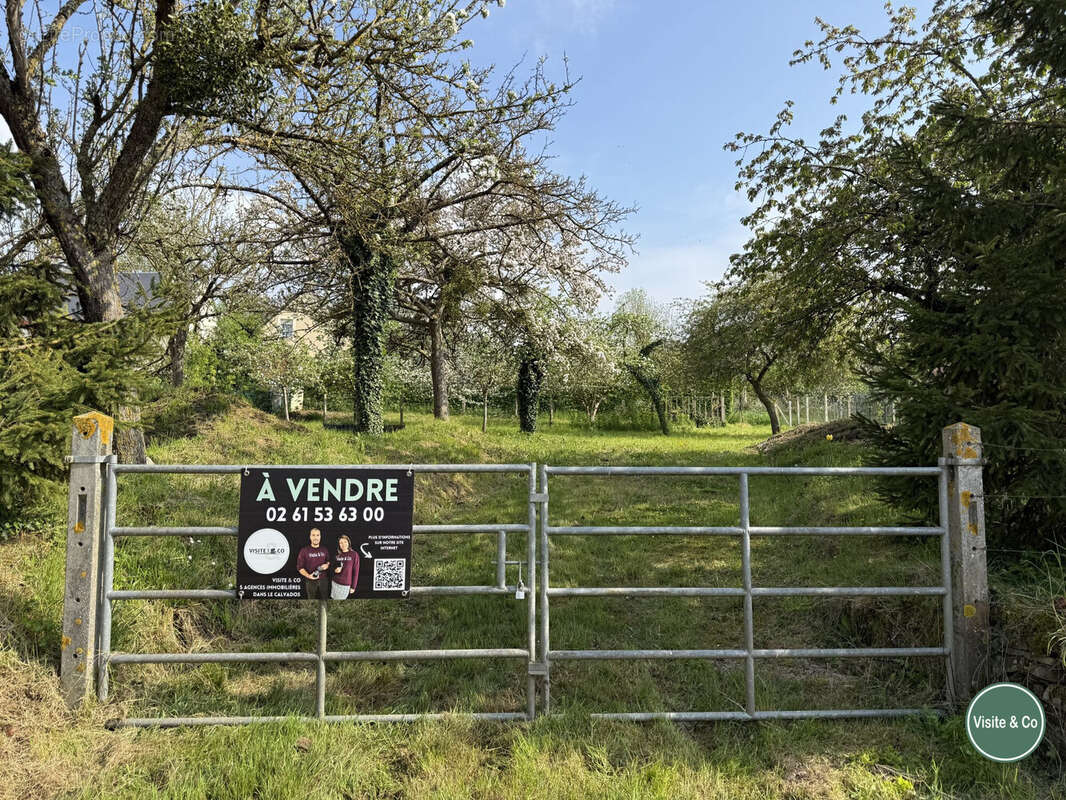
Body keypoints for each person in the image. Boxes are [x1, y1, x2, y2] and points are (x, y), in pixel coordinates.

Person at [296, 527, 330, 600]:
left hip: (323, 580)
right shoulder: (304, 550)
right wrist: (308, 576)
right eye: (313, 535)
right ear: (310, 536)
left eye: (317, 535)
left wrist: (327, 565)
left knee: (325, 599)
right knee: (311, 600)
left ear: (320, 537)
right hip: (310, 580)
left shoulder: (324, 549)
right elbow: (300, 567)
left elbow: (329, 561)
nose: (316, 537)